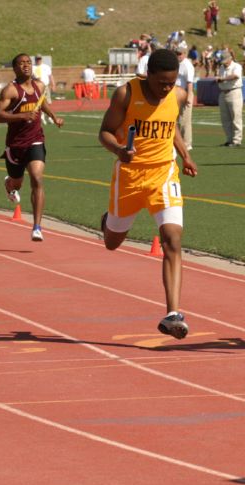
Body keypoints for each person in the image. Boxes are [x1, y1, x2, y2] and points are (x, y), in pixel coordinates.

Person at [98, 49, 198, 340]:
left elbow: (171, 126)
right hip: (129, 176)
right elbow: (104, 131)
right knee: (112, 243)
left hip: (163, 174)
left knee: (173, 239)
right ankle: (107, 222)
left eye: (171, 82)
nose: (166, 88)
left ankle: (172, 314)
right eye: (161, 83)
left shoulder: (177, 96)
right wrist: (119, 150)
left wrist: (185, 155)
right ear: (148, 75)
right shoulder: (126, 94)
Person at [0, 53, 64, 242]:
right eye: (21, 63)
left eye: (28, 63)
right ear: (15, 68)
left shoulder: (39, 85)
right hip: (15, 145)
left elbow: (42, 103)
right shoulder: (11, 90)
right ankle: (9, 184)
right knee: (17, 182)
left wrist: (54, 117)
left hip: (35, 140)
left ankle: (37, 227)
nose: (26, 66)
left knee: (37, 178)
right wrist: (21, 117)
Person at [215, 51, 243, 147]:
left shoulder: (236, 66)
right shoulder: (222, 68)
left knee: (236, 117)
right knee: (225, 118)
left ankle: (237, 140)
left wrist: (222, 79)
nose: (224, 62)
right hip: (223, 92)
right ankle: (229, 139)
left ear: (230, 58)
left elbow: (235, 76)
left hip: (234, 92)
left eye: (226, 60)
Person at [175, 44, 195, 150]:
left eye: (180, 53)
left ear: (185, 54)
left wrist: (188, 96)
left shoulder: (187, 65)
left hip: (185, 93)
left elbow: (190, 82)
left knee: (184, 120)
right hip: (176, 94)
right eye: (176, 53)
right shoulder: (177, 64)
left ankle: (187, 143)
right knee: (177, 119)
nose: (178, 55)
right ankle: (180, 142)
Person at [32, 54, 56, 124]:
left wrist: (53, 84)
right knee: (39, 102)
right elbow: (29, 77)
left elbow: (50, 76)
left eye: (39, 59)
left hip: (45, 86)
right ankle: (41, 116)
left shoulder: (46, 67)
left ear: (41, 59)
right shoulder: (33, 67)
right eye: (37, 59)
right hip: (37, 87)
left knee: (48, 102)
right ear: (35, 59)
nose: (38, 60)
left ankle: (49, 116)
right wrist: (35, 78)